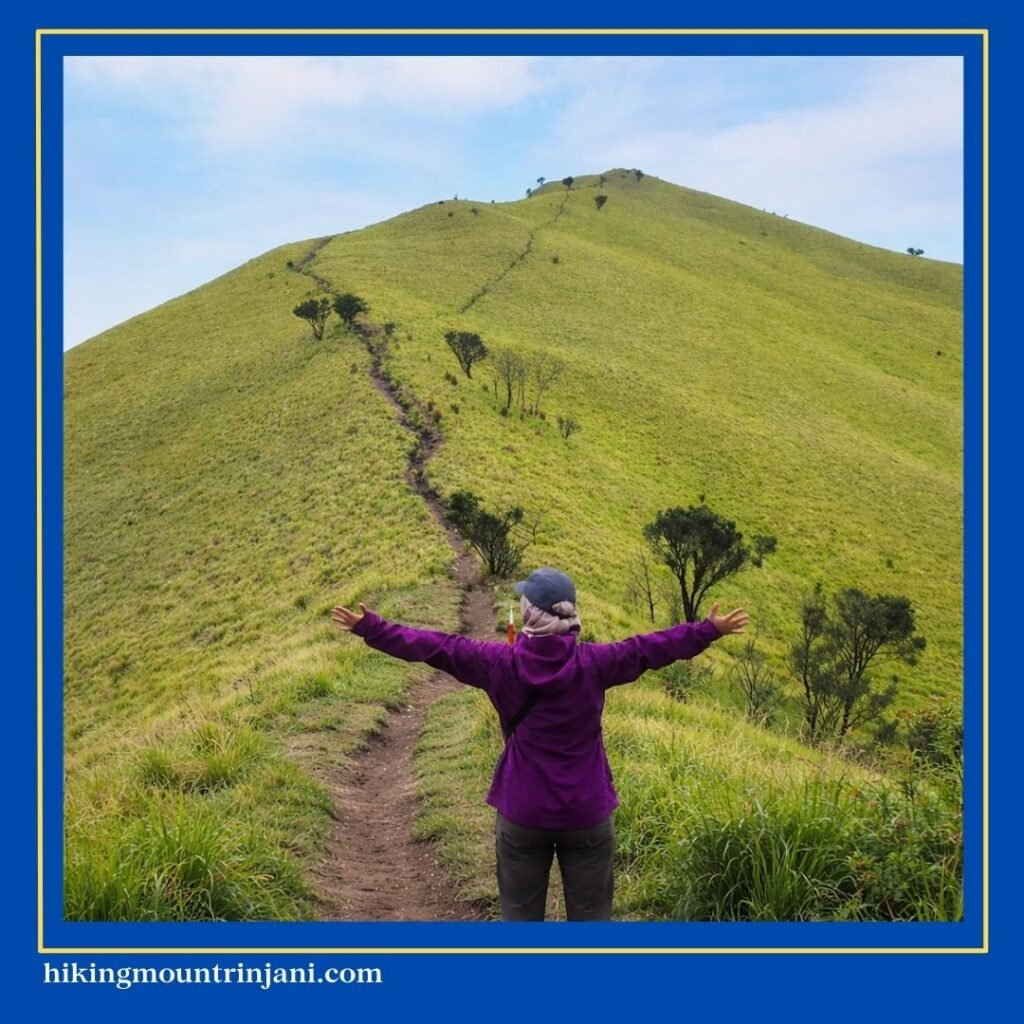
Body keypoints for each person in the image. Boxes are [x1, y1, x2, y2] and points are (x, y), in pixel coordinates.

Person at [331, 566, 749, 922]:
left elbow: (434, 647)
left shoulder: (497, 663)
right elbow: (650, 649)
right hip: (587, 812)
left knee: (520, 922)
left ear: (529, 613)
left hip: (522, 811)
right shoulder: (597, 663)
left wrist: (370, 627)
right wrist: (708, 630)